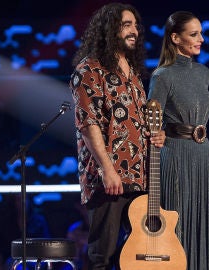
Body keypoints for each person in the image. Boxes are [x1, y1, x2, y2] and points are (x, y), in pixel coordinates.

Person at [69, 3, 165, 269]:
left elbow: (140, 121)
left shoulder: (133, 72)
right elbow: (89, 124)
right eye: (127, 25)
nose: (135, 30)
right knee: (104, 255)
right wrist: (107, 169)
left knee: (138, 255)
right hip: (109, 178)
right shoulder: (89, 70)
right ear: (110, 29)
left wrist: (156, 135)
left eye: (136, 25)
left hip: (140, 175)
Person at [148, 10, 209, 270]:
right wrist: (157, 134)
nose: (201, 38)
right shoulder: (162, 76)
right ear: (175, 38)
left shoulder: (204, 73)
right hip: (176, 155)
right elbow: (151, 122)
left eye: (201, 33)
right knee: (179, 224)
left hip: (203, 155)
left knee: (205, 222)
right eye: (194, 34)